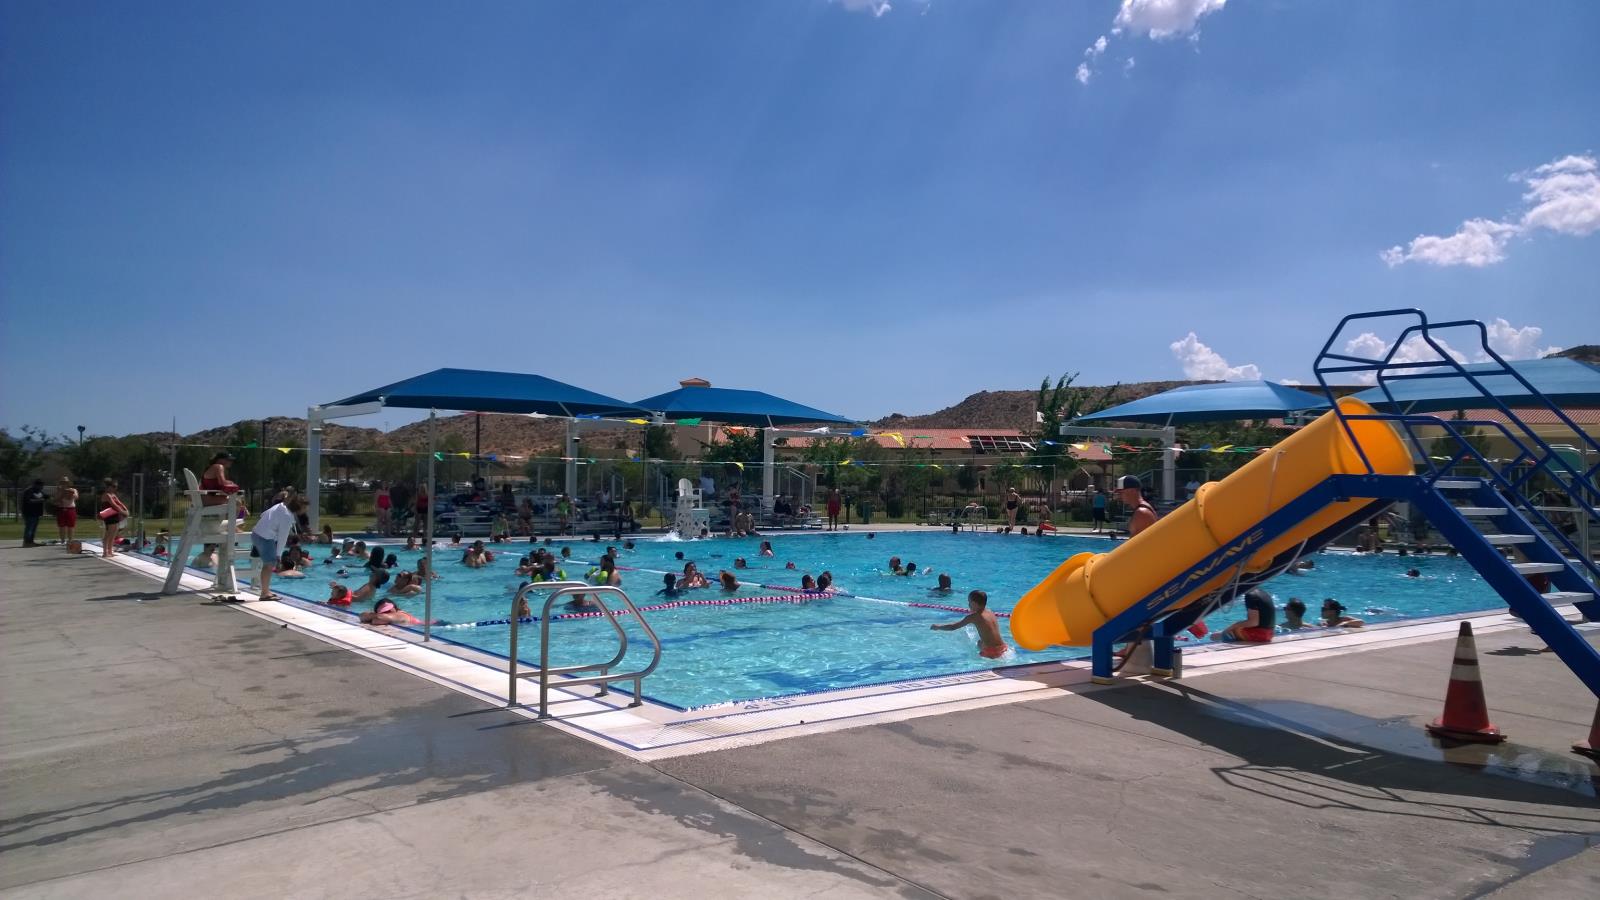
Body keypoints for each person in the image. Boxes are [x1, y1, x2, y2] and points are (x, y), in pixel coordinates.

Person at [930, 590, 1010, 660]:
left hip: (991, 653)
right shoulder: (990, 612)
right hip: (1003, 648)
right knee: (980, 642)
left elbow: (953, 627)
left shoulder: (974, 617)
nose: (968, 605)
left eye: (969, 602)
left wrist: (938, 627)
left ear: (974, 603)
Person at [251, 495, 300, 600]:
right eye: (305, 507)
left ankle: (266, 591)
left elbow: (263, 515)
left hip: (257, 533)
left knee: (268, 564)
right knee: (269, 564)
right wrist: (279, 555)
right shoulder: (287, 516)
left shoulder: (280, 506)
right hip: (265, 537)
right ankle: (264, 593)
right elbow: (283, 537)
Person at [97, 479, 129, 558]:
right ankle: (105, 552)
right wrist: (123, 512)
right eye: (114, 486)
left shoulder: (113, 495)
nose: (115, 488)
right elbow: (114, 505)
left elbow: (120, 503)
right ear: (108, 487)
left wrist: (126, 510)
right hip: (109, 514)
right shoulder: (106, 495)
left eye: (116, 487)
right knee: (108, 533)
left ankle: (110, 551)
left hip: (115, 514)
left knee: (114, 533)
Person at [55, 476, 79, 548]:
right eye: (62, 482)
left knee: (70, 526)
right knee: (61, 526)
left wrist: (70, 493)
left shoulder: (73, 490)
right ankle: (62, 540)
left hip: (70, 508)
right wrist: (61, 493)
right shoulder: (58, 490)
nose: (64, 484)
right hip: (61, 508)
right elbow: (56, 499)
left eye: (65, 482)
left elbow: (76, 497)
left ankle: (70, 540)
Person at [21, 478, 46, 547]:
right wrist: (40, 500)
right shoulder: (29, 491)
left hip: (36, 513)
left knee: (33, 528)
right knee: (29, 528)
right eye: (41, 486)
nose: (42, 487)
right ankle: (26, 542)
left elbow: (46, 497)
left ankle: (31, 542)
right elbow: (28, 501)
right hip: (29, 512)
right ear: (36, 485)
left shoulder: (39, 491)